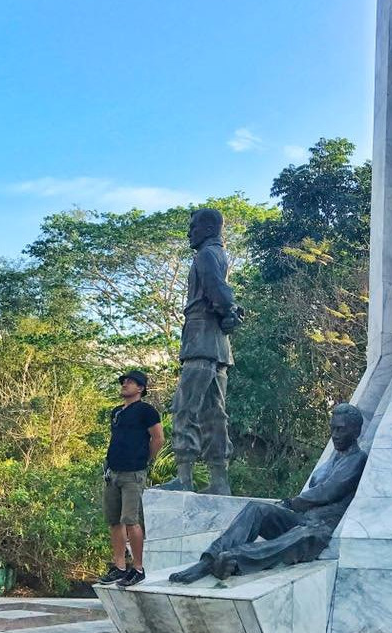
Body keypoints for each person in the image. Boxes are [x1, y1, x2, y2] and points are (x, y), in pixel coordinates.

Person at [169, 403, 366, 583]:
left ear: (356, 431)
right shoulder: (332, 459)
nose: (334, 434)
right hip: (302, 519)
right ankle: (208, 561)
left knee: (288, 540)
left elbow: (328, 492)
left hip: (320, 529)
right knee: (257, 509)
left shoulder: (357, 459)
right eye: (332, 428)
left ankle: (232, 560)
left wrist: (291, 503)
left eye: (340, 429)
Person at [162, 208, 243, 496]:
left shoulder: (206, 255)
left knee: (185, 408)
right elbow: (223, 294)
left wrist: (229, 309)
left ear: (208, 228)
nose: (189, 232)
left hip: (200, 341)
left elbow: (217, 290)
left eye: (193, 226)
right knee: (214, 414)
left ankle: (184, 478)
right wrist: (232, 312)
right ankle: (219, 481)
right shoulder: (218, 254)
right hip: (217, 345)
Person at [98, 370, 164, 587]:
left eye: (130, 382)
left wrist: (144, 460)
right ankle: (119, 566)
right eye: (123, 381)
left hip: (133, 473)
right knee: (114, 521)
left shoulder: (146, 411)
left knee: (131, 520)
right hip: (113, 472)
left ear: (140, 388)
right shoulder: (117, 412)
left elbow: (158, 438)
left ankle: (138, 568)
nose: (124, 384)